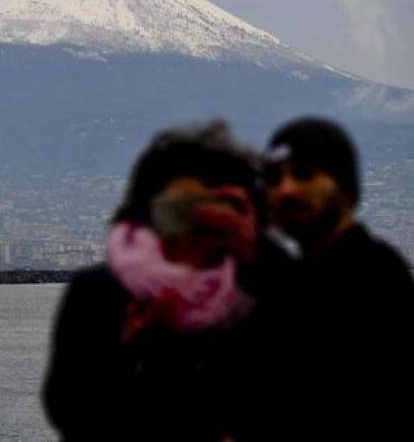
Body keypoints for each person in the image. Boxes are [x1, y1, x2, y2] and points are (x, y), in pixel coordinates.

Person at [42, 121, 274, 441]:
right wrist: (127, 352)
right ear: (144, 212)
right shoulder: (100, 293)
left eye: (209, 213)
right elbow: (70, 411)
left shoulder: (261, 291)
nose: (189, 228)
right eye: (175, 212)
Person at [252, 117, 414, 440]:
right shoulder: (311, 276)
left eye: (304, 174)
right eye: (274, 178)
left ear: (344, 188)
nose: (286, 190)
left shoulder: (369, 280)